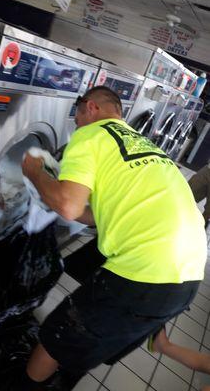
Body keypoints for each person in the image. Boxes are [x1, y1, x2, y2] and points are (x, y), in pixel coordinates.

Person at [18, 86, 207, 391]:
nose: (76, 124)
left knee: (56, 334)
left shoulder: (91, 135)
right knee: (90, 340)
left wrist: (35, 173)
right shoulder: (146, 146)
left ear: (90, 108)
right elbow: (93, 214)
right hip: (188, 276)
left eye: (77, 116)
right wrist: (53, 198)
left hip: (146, 274)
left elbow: (67, 204)